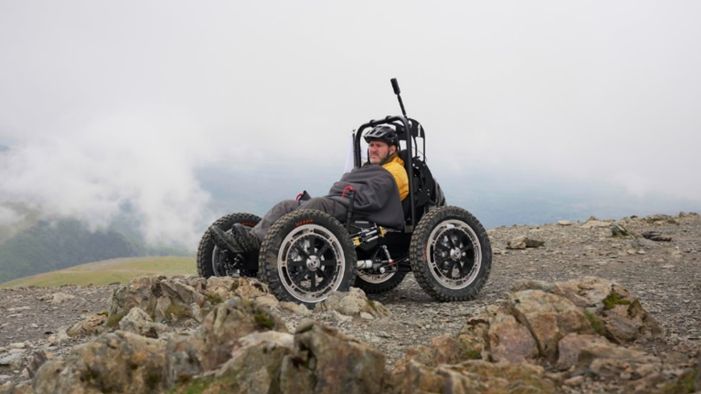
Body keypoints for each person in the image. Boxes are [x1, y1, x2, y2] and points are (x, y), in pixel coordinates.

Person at [210, 125, 409, 259]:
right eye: (371, 145)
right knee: (286, 205)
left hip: (361, 212)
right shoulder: (369, 168)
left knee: (317, 204)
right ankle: (252, 239)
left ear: (392, 149)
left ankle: (266, 248)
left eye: (378, 146)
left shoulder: (396, 171)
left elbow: (377, 198)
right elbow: (354, 183)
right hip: (344, 201)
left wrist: (347, 191)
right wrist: (343, 188)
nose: (373, 149)